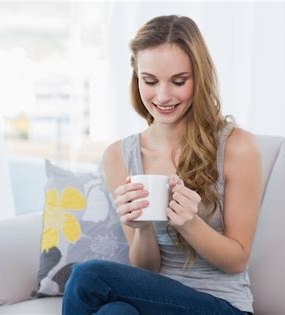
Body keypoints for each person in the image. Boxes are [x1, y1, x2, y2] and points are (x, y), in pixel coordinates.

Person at [62, 15, 263, 315]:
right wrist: (142, 228)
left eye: (179, 81)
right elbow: (147, 268)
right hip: (154, 301)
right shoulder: (120, 156)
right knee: (114, 313)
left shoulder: (236, 146)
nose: (163, 96)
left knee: (87, 276)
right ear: (136, 78)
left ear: (200, 76)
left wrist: (189, 223)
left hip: (222, 306)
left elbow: (238, 259)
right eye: (150, 81)